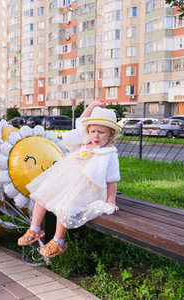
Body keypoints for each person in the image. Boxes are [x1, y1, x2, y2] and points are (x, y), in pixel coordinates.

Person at [17, 100, 121, 258]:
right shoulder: (85, 141)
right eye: (93, 131)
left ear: (111, 134)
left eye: (101, 132)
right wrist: (92, 106)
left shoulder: (109, 153)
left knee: (65, 205)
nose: (96, 135)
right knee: (43, 193)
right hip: (67, 180)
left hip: (88, 189)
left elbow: (112, 179)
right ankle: (34, 228)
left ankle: (58, 241)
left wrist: (111, 200)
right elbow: (81, 121)